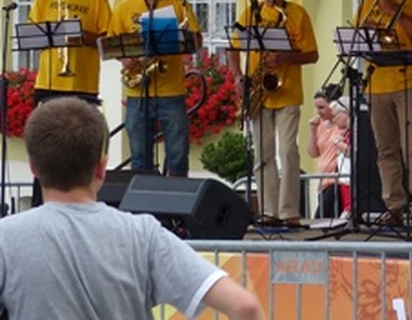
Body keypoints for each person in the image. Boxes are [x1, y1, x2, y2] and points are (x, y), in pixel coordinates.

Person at [0, 97, 261, 319]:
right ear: (102, 167)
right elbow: (245, 307)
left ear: (34, 168)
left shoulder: (6, 237)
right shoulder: (142, 234)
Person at [229, 0, 319, 225]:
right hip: (259, 93)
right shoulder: (250, 15)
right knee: (263, 154)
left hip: (288, 91)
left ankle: (289, 212)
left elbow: (312, 55)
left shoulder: (297, 14)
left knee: (288, 152)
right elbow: (233, 48)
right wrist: (238, 76)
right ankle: (268, 211)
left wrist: (284, 58)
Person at [355, 0, 412, 228]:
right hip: (377, 83)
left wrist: (393, 13)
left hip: (409, 83)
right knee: (385, 150)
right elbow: (356, 42)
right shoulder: (367, 4)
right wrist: (367, 32)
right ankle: (394, 206)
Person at [110, 0, 202, 176]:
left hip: (172, 91)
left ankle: (176, 197)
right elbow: (112, 44)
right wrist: (125, 59)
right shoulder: (124, 8)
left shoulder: (177, 4)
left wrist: (188, 36)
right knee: (140, 158)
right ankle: (144, 198)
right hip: (138, 93)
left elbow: (197, 42)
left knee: (178, 155)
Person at [27, 0, 112, 105]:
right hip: (48, 83)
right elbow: (32, 36)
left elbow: (108, 41)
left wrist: (82, 37)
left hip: (83, 84)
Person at [306, 91, 350, 218]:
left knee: (321, 217)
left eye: (322, 107)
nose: (318, 112)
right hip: (323, 181)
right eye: (317, 108)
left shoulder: (342, 125)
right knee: (325, 217)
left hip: (335, 180)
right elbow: (313, 153)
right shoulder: (320, 125)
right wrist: (313, 130)